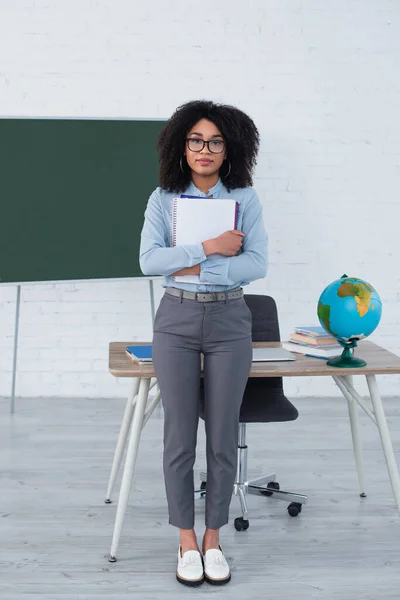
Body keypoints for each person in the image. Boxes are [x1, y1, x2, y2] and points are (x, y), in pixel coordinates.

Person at [139, 100, 268, 586]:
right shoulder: (162, 199)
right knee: (178, 436)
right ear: (182, 146)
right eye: (196, 140)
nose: (205, 150)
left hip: (231, 319)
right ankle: (185, 540)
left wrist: (193, 264)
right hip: (175, 318)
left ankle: (214, 539)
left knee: (221, 432)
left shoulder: (246, 200)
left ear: (229, 147)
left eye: (215, 141)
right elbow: (151, 262)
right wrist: (211, 248)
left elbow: (257, 265)